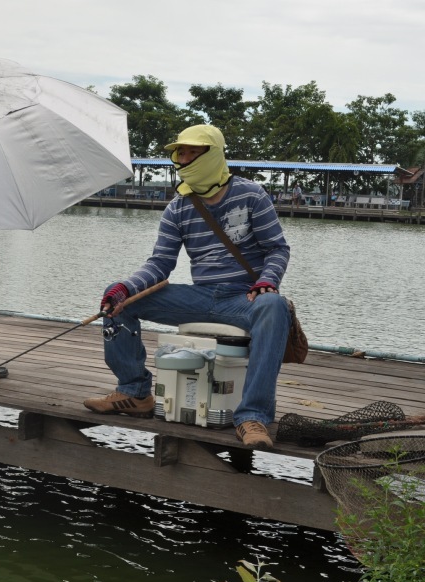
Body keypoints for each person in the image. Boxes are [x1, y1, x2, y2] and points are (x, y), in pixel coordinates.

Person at [82, 124, 291, 450]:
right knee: (120, 299)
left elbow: (277, 249)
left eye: (193, 151)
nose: (183, 157)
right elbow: (159, 264)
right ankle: (134, 391)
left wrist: (267, 282)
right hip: (201, 296)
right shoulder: (178, 207)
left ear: (214, 154)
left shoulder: (251, 195)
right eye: (180, 152)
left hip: (243, 297)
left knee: (274, 306)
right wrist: (123, 289)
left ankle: (253, 417)